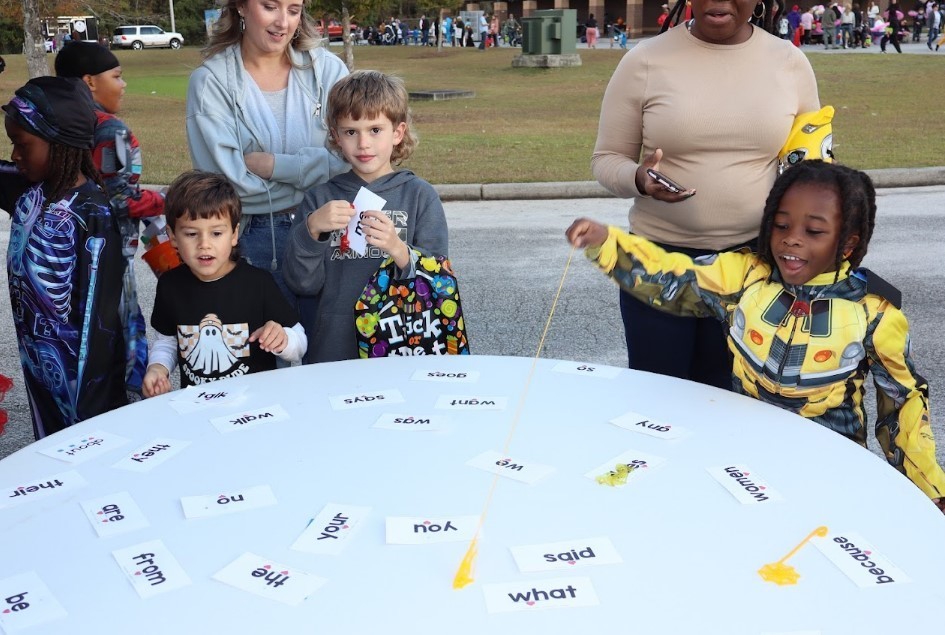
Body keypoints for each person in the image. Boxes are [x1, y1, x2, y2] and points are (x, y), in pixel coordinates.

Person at [567, 160, 945, 513]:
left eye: (813, 231)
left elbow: (904, 406)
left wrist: (932, 492)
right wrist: (607, 243)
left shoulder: (874, 312)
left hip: (829, 468)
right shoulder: (745, 275)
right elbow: (673, 276)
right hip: (742, 457)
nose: (791, 240)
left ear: (847, 244)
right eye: (781, 226)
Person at [591, 0, 820, 390]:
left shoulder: (789, 62)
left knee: (735, 403)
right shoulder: (644, 60)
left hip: (755, 268)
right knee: (660, 402)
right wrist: (638, 178)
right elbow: (607, 159)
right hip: (659, 265)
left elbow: (813, 166)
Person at [185, 0, 349, 306]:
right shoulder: (210, 83)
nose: (283, 22)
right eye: (270, 6)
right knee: (266, 351)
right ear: (241, 7)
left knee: (333, 351)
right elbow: (228, 187)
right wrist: (316, 182)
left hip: (333, 232)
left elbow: (352, 159)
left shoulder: (329, 70)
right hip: (254, 242)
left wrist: (276, 166)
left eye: (294, 9)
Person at [282, 71, 449, 363]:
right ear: (335, 135)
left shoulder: (420, 196)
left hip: (403, 346)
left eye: (375, 130)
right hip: (334, 349)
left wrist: (398, 249)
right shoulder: (319, 199)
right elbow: (302, 284)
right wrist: (311, 230)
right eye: (350, 132)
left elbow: (438, 281)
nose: (363, 144)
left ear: (398, 132)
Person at [1, 77, 131, 439]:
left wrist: (89, 405)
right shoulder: (29, 192)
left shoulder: (95, 215)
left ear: (59, 146)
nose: (14, 155)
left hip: (86, 388)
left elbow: (99, 323)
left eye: (22, 145)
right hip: (38, 367)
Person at [54, 41, 159, 400]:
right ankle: (133, 401)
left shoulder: (61, 127)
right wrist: (166, 200)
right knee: (127, 330)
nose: (124, 83)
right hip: (111, 254)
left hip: (72, 252)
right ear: (89, 82)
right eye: (117, 76)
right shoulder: (109, 128)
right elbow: (117, 198)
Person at [142, 170, 307, 397]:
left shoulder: (258, 283)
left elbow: (299, 341)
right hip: (198, 406)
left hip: (256, 406)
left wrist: (284, 340)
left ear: (234, 234)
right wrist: (158, 368)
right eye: (191, 234)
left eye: (217, 233)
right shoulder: (170, 285)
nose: (204, 244)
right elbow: (168, 341)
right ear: (172, 236)